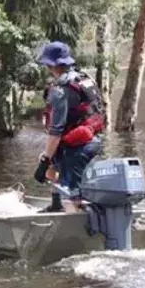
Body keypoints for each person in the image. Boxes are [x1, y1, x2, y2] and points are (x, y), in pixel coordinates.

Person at [34, 41, 105, 212]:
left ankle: (76, 227)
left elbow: (55, 131)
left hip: (78, 147)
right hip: (92, 140)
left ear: (51, 64)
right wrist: (47, 161)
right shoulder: (85, 79)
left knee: (72, 195)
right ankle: (56, 203)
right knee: (52, 166)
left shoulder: (60, 90)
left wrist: (44, 161)